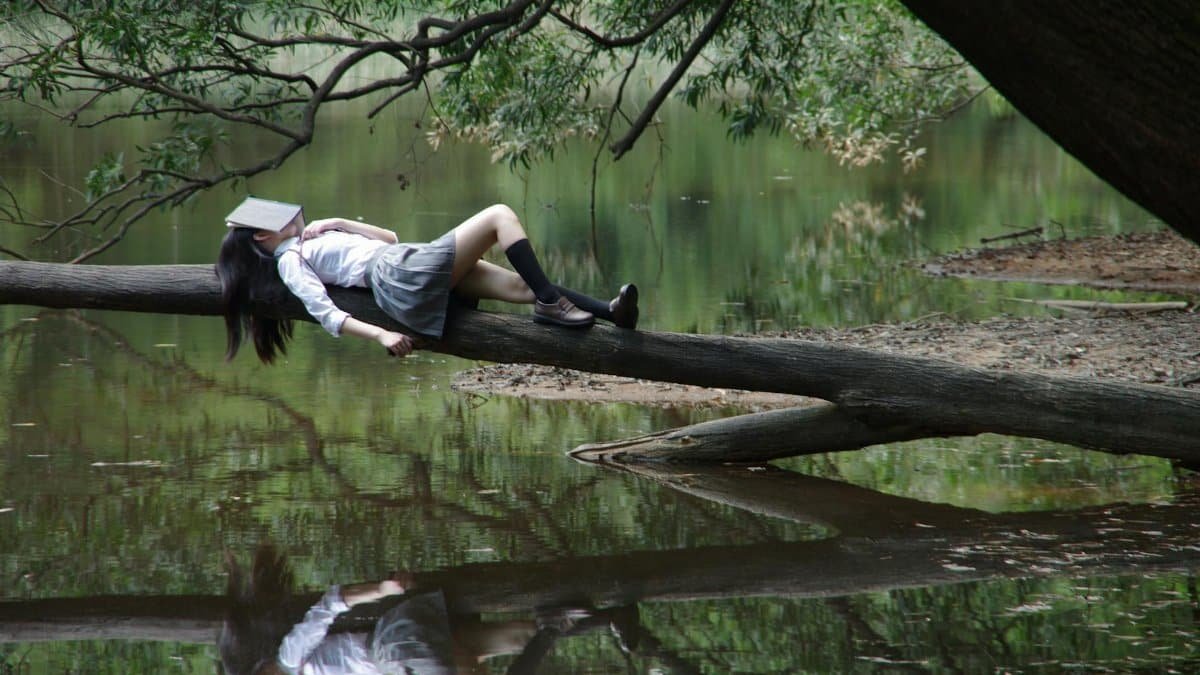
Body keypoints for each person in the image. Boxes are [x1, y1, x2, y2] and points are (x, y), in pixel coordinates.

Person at [216, 201, 639, 364]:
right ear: (261, 237)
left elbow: (390, 239)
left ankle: (609, 312)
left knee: (522, 288)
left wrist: (340, 222)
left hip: (402, 259)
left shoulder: (309, 239)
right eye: (282, 219)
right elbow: (325, 312)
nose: (295, 217)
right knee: (498, 216)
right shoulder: (290, 260)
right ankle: (551, 306)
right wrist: (382, 335)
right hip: (399, 274)